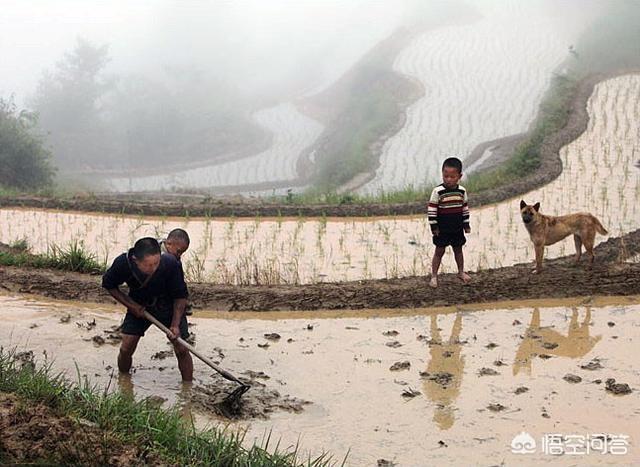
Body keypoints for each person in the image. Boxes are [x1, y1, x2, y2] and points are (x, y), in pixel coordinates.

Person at [102, 237, 193, 381]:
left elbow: (180, 296)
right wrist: (131, 306)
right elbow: (109, 285)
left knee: (182, 348)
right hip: (139, 306)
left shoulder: (170, 263)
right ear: (135, 260)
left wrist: (175, 325)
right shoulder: (123, 264)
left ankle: (187, 388)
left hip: (168, 306)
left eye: (156, 264)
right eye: (147, 265)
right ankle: (124, 382)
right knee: (126, 348)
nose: (153, 269)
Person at [427, 157, 471, 288]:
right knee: (439, 252)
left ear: (459, 176)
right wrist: (434, 227)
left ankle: (461, 272)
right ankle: (434, 276)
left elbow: (465, 209)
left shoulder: (462, 191)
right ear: (442, 174)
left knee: (458, 250)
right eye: (446, 176)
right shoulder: (437, 191)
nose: (449, 179)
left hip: (457, 228)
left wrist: (466, 225)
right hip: (442, 229)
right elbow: (432, 210)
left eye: (452, 176)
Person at [160, 228, 193, 316]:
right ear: (168, 243)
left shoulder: (174, 258)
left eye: (182, 253)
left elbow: (179, 281)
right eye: (178, 251)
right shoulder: (155, 254)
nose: (179, 255)